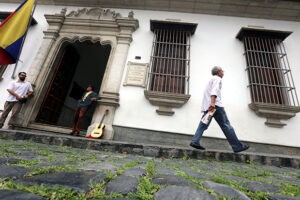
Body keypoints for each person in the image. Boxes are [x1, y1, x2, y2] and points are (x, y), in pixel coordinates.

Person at [190, 66, 249, 153]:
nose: (223, 73)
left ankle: (195, 141)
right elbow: (215, 90)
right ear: (219, 72)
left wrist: (210, 105)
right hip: (216, 107)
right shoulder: (217, 79)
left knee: (203, 124)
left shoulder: (211, 80)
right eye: (222, 71)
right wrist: (213, 103)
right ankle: (237, 146)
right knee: (226, 126)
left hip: (209, 108)